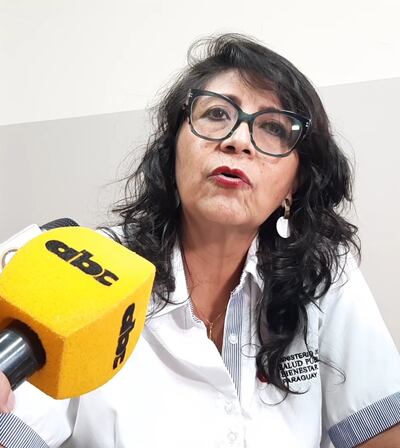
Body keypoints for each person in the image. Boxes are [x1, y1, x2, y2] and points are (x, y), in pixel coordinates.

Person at [0, 33, 399, 448]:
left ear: (293, 185)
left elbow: (381, 432)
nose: (238, 140)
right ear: (172, 151)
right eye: (216, 114)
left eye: (273, 127)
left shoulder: (324, 276)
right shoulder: (84, 269)